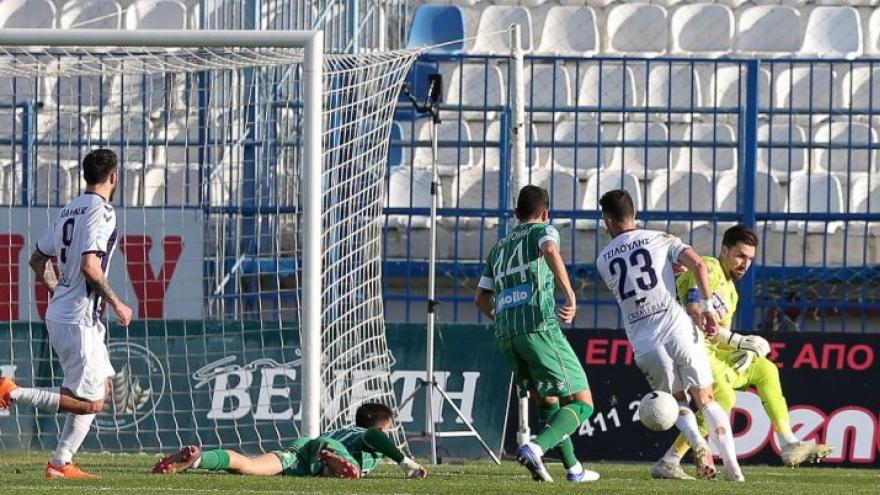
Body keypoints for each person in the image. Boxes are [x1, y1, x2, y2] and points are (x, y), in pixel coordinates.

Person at [651, 225, 833, 479]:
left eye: (749, 259)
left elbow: (716, 335)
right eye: (740, 255)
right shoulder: (708, 267)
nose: (744, 263)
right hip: (685, 348)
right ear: (725, 250)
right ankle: (672, 459)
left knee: (765, 368)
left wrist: (743, 349)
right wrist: (739, 340)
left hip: (711, 353)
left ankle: (789, 442)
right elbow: (694, 307)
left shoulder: (733, 294)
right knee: (722, 399)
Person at [0, 149, 133, 479]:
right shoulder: (102, 211)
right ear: (113, 177)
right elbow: (91, 266)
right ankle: (10, 392)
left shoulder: (68, 209)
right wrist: (117, 303)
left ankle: (61, 462)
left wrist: (57, 289)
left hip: (67, 313)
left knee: (99, 387)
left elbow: (36, 260)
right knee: (91, 403)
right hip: (79, 319)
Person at [595, 189, 743, 482]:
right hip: (676, 325)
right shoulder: (659, 238)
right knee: (707, 398)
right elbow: (699, 265)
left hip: (644, 340)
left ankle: (699, 447)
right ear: (635, 215)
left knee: (679, 400)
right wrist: (709, 307)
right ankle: (733, 469)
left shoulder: (602, 259)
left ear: (607, 220)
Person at [474, 185, 599, 483]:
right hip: (538, 327)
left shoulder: (498, 248)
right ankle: (535, 447)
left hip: (507, 333)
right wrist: (570, 295)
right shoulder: (543, 231)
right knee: (583, 403)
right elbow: (550, 248)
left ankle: (573, 469)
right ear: (545, 213)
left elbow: (480, 298)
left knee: (547, 400)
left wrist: (504, 319)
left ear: (516, 214)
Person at [153, 402, 427, 479]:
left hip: (305, 447)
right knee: (350, 471)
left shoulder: (345, 429)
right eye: (387, 428)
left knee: (248, 466)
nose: (388, 433)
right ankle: (338, 465)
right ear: (380, 426)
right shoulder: (369, 437)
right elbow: (374, 436)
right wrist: (405, 462)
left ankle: (199, 458)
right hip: (331, 449)